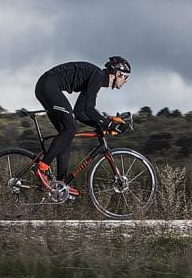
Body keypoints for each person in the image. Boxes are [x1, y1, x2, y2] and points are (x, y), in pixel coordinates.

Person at [33, 56, 131, 197]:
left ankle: (61, 184)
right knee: (71, 128)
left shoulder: (96, 79)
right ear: (117, 73)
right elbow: (89, 109)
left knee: (67, 133)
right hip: (48, 85)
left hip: (46, 86)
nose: (125, 81)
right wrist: (108, 124)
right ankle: (42, 168)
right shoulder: (97, 75)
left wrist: (100, 124)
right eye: (125, 77)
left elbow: (80, 112)